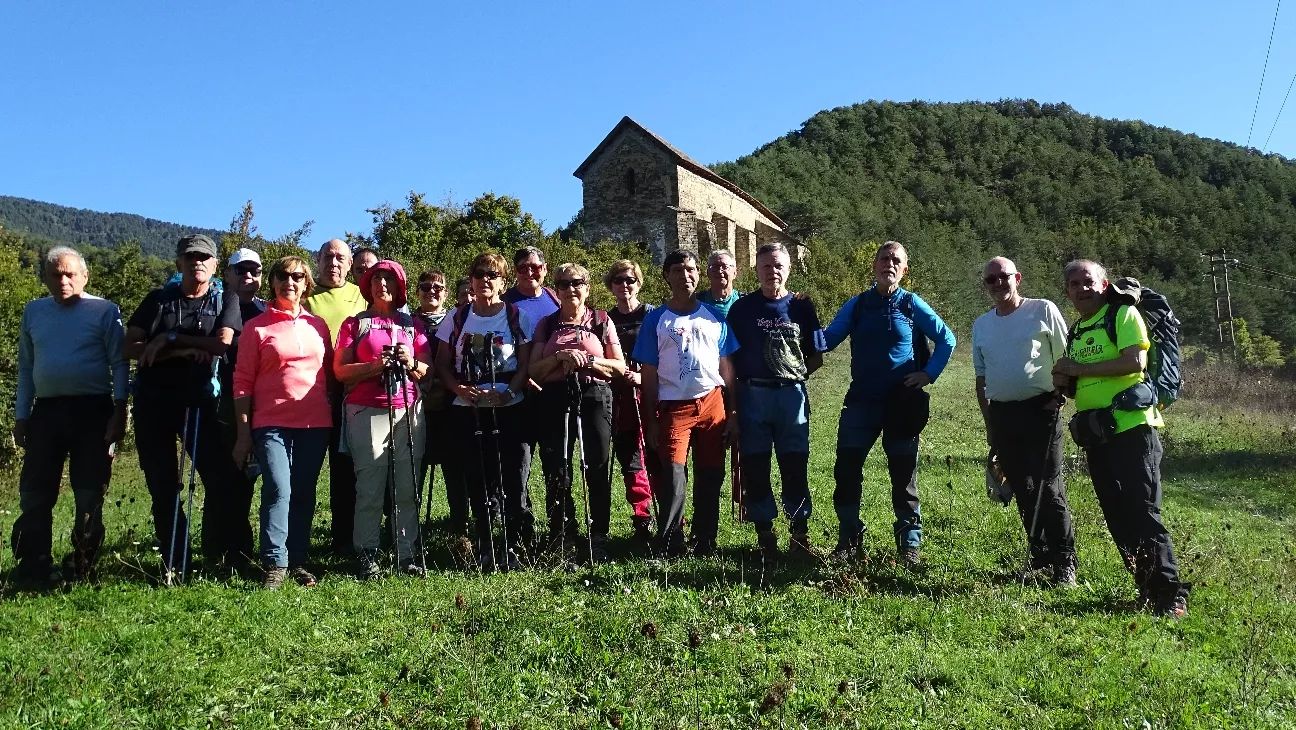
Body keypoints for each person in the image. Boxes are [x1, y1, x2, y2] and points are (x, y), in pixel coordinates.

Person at [1053, 259, 1189, 618]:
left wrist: (1079, 369)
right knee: (1116, 514)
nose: (1081, 288)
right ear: (1066, 292)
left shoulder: (1123, 316)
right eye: (1073, 284)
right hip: (1097, 434)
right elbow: (1083, 381)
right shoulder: (1078, 330)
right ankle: (1146, 589)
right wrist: (1065, 381)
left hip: (1133, 428)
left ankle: (1171, 595)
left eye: (1088, 281)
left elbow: (1134, 362)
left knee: (1143, 510)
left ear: (1104, 284)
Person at [822, 241, 956, 567]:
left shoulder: (911, 304)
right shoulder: (856, 306)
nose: (890, 264)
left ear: (904, 270)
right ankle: (849, 539)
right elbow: (827, 339)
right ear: (874, 265)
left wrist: (928, 374)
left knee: (903, 474)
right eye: (884, 259)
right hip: (861, 402)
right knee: (847, 470)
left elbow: (946, 339)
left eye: (897, 261)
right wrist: (794, 324)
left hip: (901, 404)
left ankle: (909, 544)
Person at [124, 234, 250, 576]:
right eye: (190, 257)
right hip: (153, 403)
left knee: (220, 479)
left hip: (198, 402)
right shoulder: (158, 300)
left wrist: (168, 338)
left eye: (204, 258)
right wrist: (181, 350)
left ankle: (226, 554)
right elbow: (129, 347)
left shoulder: (225, 301)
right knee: (163, 484)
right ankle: (176, 562)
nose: (197, 262)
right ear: (179, 262)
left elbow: (221, 344)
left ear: (213, 265)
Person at [10, 247, 128, 586]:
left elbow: (119, 364)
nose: (63, 280)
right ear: (45, 278)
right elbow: (27, 367)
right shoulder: (34, 312)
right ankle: (34, 564)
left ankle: (83, 563)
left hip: (93, 410)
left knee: (90, 487)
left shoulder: (105, 311)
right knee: (35, 488)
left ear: (84, 276)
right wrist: (22, 417)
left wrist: (120, 410)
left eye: (70, 274)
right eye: (55, 274)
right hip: (46, 412)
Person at [972, 257, 1077, 586]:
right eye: (991, 280)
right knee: (1023, 488)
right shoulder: (981, 326)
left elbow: (1066, 357)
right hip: (1003, 414)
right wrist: (990, 425)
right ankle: (1040, 559)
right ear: (985, 285)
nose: (998, 284)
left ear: (1017, 277)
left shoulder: (1042, 310)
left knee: (1049, 488)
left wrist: (1059, 395)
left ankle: (1065, 565)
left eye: (1004, 277)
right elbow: (981, 380)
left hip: (1041, 410)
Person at [231, 256, 333, 590]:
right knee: (279, 487)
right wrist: (243, 434)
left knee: (303, 491)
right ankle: (275, 562)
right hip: (271, 421)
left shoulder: (318, 326)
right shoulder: (256, 327)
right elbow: (242, 381)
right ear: (273, 282)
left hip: (315, 422)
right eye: (283, 276)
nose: (290, 281)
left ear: (307, 284)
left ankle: (298, 560)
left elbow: (329, 374)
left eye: (298, 277)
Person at [634, 250, 738, 557]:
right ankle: (670, 542)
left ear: (698, 274)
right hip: (673, 407)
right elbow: (648, 374)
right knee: (673, 475)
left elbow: (728, 369)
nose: (685, 276)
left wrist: (733, 413)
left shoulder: (715, 317)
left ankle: (706, 540)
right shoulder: (655, 320)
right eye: (678, 270)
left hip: (712, 403)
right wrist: (651, 419)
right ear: (667, 276)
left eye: (691, 269)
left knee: (710, 474)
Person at [435, 252, 535, 569]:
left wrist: (511, 393)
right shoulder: (457, 317)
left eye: (492, 275)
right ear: (472, 280)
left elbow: (526, 363)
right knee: (477, 480)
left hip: (510, 406)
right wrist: (459, 390)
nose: (485, 280)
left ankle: (514, 548)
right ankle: (485, 548)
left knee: (515, 478)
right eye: (479, 274)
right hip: (468, 407)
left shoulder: (517, 316)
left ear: (503, 282)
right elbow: (442, 364)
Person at [334, 260, 433, 579]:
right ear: (367, 286)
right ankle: (367, 553)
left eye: (388, 279)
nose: (381, 284)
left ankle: (407, 554)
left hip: (408, 408)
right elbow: (340, 371)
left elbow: (428, 372)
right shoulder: (354, 324)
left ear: (400, 285)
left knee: (406, 485)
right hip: (366, 410)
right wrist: (375, 366)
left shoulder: (412, 325)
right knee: (371, 485)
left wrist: (411, 361)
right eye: (375, 279)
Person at [727, 242, 827, 558]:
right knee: (755, 465)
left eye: (779, 266)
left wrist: (793, 374)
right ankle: (765, 535)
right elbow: (730, 355)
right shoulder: (741, 309)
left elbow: (817, 355)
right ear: (756, 270)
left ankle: (799, 534)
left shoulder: (801, 306)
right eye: (767, 266)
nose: (773, 271)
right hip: (753, 395)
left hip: (790, 396)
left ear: (788, 269)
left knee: (794, 464)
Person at [529, 263, 626, 561]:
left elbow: (620, 367)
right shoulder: (546, 324)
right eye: (563, 284)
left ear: (587, 287)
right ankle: (563, 535)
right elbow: (532, 370)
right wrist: (559, 357)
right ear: (555, 290)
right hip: (554, 398)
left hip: (594, 395)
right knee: (557, 467)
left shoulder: (601, 320)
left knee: (596, 466)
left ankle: (598, 536)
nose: (571, 289)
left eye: (577, 283)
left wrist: (589, 362)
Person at [304, 239, 367, 556]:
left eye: (340, 257)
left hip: (350, 394)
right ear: (318, 260)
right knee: (306, 470)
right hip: (310, 395)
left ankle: (344, 539)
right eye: (328, 256)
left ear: (350, 262)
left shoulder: (360, 295)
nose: (334, 262)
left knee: (346, 470)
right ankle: (296, 540)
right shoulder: (304, 295)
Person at [602, 259, 659, 547]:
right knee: (631, 458)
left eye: (630, 280)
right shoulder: (605, 320)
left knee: (658, 455)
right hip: (619, 397)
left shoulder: (653, 315)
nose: (625, 285)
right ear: (611, 285)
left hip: (650, 394)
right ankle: (642, 516)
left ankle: (673, 518)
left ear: (638, 283)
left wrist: (642, 376)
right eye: (619, 280)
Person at [413, 268, 468, 536]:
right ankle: (406, 531)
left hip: (451, 404)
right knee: (413, 470)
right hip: (415, 405)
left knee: (456, 470)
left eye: (437, 287)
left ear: (446, 293)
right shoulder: (407, 322)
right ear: (417, 292)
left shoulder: (459, 320)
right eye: (425, 287)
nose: (431, 291)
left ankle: (461, 531)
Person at [697, 250, 740, 317]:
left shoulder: (746, 302)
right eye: (715, 267)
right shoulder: (696, 302)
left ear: (735, 272)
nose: (720, 271)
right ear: (708, 273)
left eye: (725, 267)